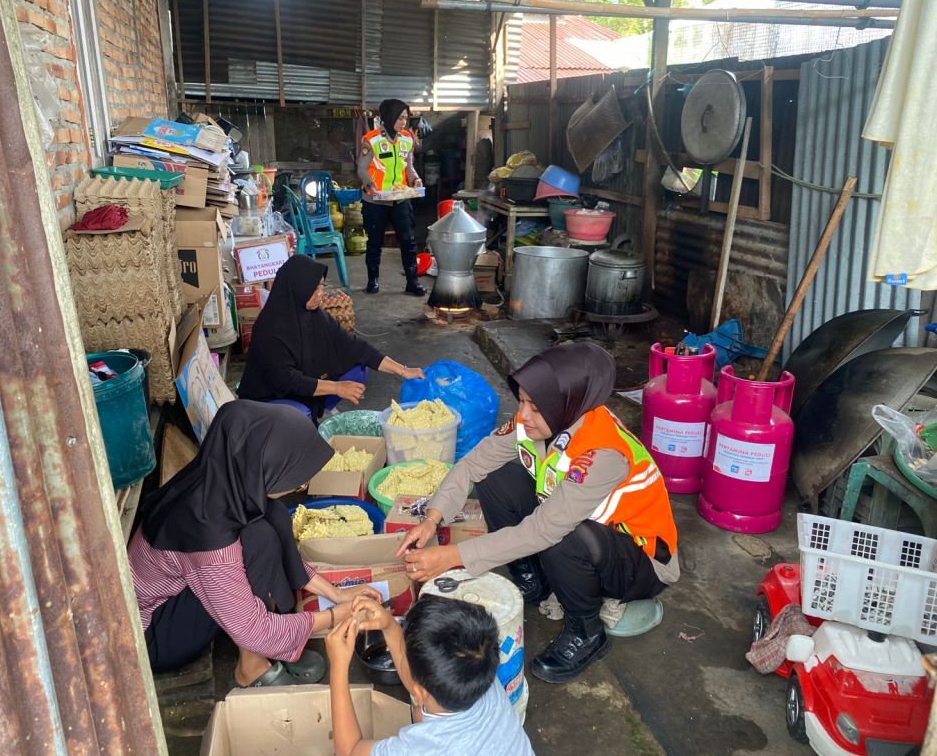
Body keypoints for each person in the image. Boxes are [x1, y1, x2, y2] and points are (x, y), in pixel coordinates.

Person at [396, 342, 679, 684]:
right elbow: (473, 464)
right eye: (522, 401)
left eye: (535, 405)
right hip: (590, 533)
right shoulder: (540, 422)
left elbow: (545, 530)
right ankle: (534, 579)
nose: (523, 415)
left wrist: (454, 556)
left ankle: (586, 632)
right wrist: (432, 519)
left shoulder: (604, 454)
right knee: (496, 475)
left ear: (567, 404)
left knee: (566, 536)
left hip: (642, 562)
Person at [129, 401, 381, 688]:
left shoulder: (218, 482)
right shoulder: (210, 541)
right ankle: (251, 666)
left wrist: (336, 594)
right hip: (155, 632)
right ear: (261, 466)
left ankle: (279, 640)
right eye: (296, 478)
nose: (302, 484)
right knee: (258, 537)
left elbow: (283, 557)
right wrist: (336, 615)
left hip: (181, 592)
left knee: (265, 522)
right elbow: (253, 630)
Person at [325, 594, 535, 756]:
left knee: (419, 713)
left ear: (419, 690)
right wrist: (389, 625)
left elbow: (350, 750)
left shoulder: (418, 748)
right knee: (420, 712)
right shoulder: (479, 670)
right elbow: (419, 685)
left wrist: (339, 668)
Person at [237, 255, 424, 422]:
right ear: (297, 288)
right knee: (299, 415)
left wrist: (403, 370)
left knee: (358, 369)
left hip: (304, 386)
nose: (321, 294)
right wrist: (337, 388)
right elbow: (287, 381)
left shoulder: (314, 315)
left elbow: (355, 347)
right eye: (313, 288)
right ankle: (302, 418)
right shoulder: (271, 329)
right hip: (271, 397)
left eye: (322, 286)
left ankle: (319, 409)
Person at [358, 99, 426, 296]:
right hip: (375, 200)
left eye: (405, 118)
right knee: (374, 242)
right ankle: (373, 280)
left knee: (408, 240)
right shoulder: (371, 139)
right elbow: (362, 169)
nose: (403, 122)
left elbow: (409, 167)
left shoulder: (407, 139)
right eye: (400, 118)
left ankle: (412, 282)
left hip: (400, 197)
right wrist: (369, 184)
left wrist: (416, 180)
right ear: (388, 117)